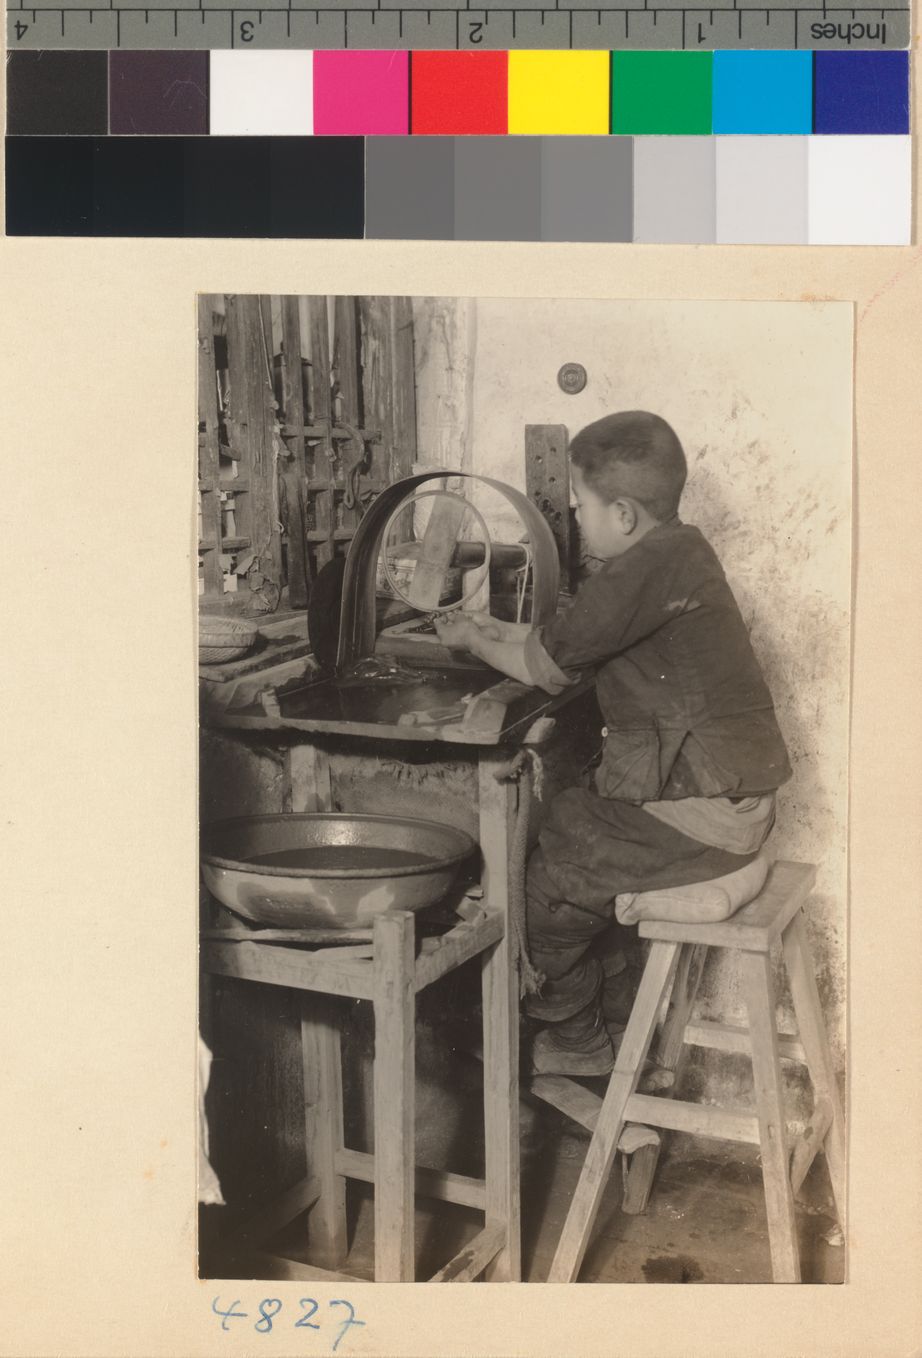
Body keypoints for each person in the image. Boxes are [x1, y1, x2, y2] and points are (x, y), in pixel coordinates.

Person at [434, 411, 791, 1077]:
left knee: (543, 883)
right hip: (733, 801)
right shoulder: (680, 551)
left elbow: (545, 665)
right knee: (575, 816)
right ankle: (613, 1019)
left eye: (580, 506)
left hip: (708, 816)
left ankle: (577, 1036)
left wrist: (473, 639)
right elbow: (563, 643)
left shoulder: (636, 572)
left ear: (623, 515)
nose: (576, 519)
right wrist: (490, 631)